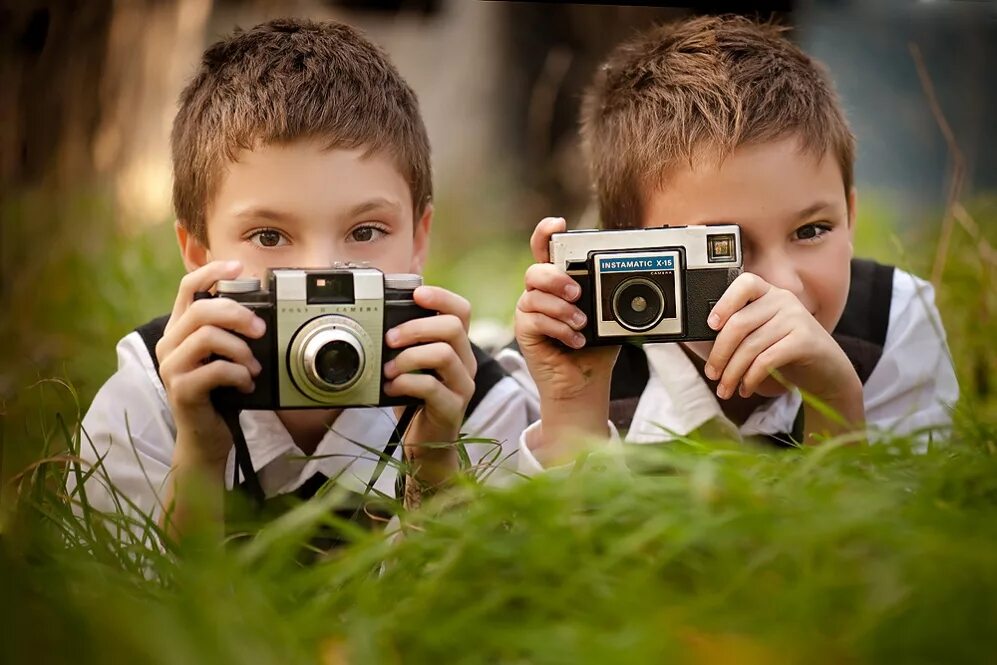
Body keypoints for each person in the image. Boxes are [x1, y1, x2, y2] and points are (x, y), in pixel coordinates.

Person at [77, 18, 530, 540]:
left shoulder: (473, 401)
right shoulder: (152, 394)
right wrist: (199, 456)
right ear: (199, 254)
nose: (318, 272)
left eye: (365, 230)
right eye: (269, 237)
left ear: (418, 240)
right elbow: (118, 608)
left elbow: (487, 613)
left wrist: (432, 467)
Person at [501, 15, 959, 469]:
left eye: (812, 230)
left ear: (851, 216)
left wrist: (835, 403)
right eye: (723, 249)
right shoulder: (553, 364)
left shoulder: (891, 324)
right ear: (631, 252)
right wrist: (573, 413)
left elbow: (883, 537)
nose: (784, 287)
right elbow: (559, 540)